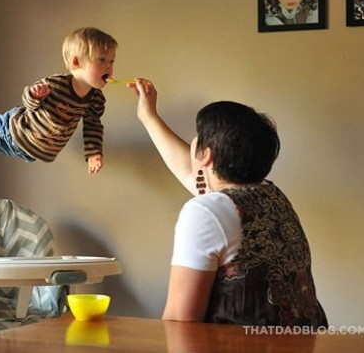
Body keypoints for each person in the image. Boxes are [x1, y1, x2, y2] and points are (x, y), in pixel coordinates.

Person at [128, 79, 328, 326]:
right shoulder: (271, 196)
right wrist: (149, 117)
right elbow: (194, 175)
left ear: (207, 154)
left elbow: (179, 321)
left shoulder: (205, 212)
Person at [0, 27, 118, 174]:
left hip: (27, 151)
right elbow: (29, 104)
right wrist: (35, 95)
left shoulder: (95, 98)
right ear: (76, 62)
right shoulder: (56, 84)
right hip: (14, 132)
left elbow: (93, 126)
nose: (109, 67)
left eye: (111, 61)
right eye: (102, 60)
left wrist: (93, 153)